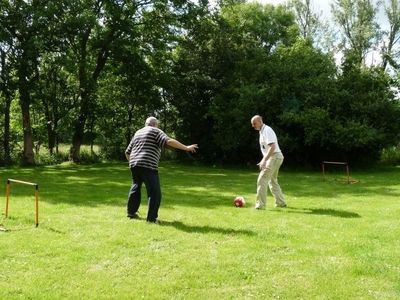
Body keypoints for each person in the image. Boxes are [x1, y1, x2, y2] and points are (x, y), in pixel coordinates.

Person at [125, 116, 198, 223]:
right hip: (148, 164)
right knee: (155, 193)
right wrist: (186, 148)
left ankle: (131, 212)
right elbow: (168, 141)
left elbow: (127, 152)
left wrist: (132, 163)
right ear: (156, 124)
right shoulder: (155, 131)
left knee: (135, 187)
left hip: (134, 164)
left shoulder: (138, 132)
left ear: (146, 124)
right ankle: (151, 219)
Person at [251, 115, 287, 209]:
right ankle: (281, 202)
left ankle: (260, 205)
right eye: (252, 124)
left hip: (275, 156)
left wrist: (264, 160)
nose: (253, 125)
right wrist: (265, 160)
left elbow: (272, 147)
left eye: (254, 123)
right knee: (272, 181)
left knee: (262, 179)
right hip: (275, 157)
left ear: (260, 121)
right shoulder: (261, 132)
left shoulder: (267, 130)